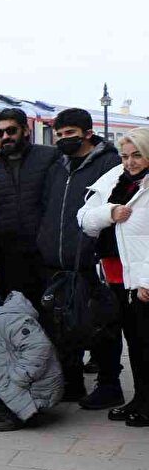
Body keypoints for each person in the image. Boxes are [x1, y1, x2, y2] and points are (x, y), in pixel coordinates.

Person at [38, 108, 124, 409]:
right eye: (59, 135)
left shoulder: (110, 164)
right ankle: (72, 382)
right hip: (59, 260)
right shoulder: (57, 166)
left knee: (103, 324)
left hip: (93, 260)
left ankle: (110, 384)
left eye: (70, 134)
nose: (63, 140)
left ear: (88, 133)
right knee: (64, 322)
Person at [79, 127, 149, 426]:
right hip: (115, 275)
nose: (130, 162)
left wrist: (147, 279)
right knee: (134, 342)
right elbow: (84, 218)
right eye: (124, 156)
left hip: (141, 280)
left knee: (145, 342)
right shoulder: (115, 180)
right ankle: (141, 399)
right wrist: (110, 212)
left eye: (137, 155)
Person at [0, 107, 65, 301]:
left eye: (11, 131)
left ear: (25, 131)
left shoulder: (49, 157)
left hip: (46, 255)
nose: (6, 136)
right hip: (11, 258)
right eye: (0, 133)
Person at [0, 278, 63, 431]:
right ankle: (8, 405)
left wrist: (18, 378)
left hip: (38, 383)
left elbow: (40, 348)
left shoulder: (8, 318)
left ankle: (24, 412)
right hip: (23, 379)